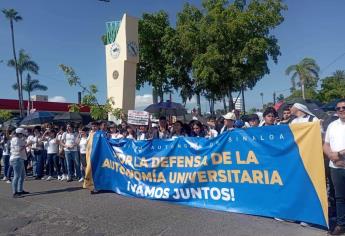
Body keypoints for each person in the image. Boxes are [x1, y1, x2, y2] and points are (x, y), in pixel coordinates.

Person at [323, 99, 345, 235]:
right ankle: (341, 224)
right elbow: (325, 144)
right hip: (335, 167)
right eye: (339, 108)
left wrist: (339, 154)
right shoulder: (332, 125)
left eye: (344, 107)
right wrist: (332, 156)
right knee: (339, 197)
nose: (341, 110)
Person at [10, 128, 29, 198]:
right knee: (17, 176)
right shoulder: (16, 140)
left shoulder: (18, 139)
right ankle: (15, 192)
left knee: (22, 176)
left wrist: (25, 143)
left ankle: (20, 190)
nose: (23, 136)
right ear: (19, 134)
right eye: (22, 134)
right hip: (17, 158)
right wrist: (26, 145)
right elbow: (18, 150)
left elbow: (23, 143)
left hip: (20, 158)